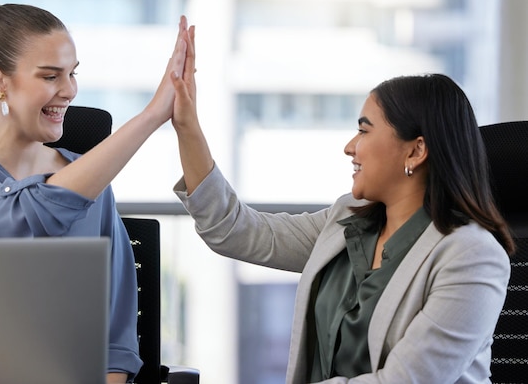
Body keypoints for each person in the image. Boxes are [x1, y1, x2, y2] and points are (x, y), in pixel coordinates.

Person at [170, 24, 516, 383]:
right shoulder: (346, 221)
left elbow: (403, 381)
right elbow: (235, 231)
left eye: (364, 131)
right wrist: (186, 126)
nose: (350, 147)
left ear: (415, 150)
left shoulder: (472, 256)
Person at [0, 2, 190, 383]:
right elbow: (26, 218)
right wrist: (150, 117)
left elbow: (117, 342)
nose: (69, 90)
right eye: (50, 76)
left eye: (72, 74)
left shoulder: (93, 185)